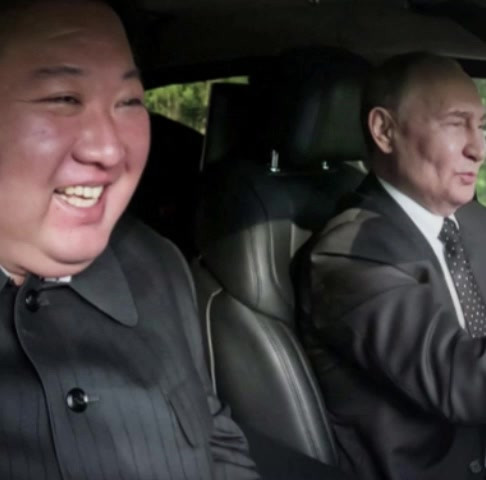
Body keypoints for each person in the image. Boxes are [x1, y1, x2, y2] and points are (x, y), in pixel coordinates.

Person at [0, 0, 260, 478]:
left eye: (129, 102)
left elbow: (216, 440)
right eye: (63, 98)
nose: (109, 149)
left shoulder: (155, 262)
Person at [302, 52, 486, 480]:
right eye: (455, 123)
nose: (478, 149)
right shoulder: (349, 255)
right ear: (385, 131)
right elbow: (462, 380)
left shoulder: (471, 219)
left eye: (482, 125)